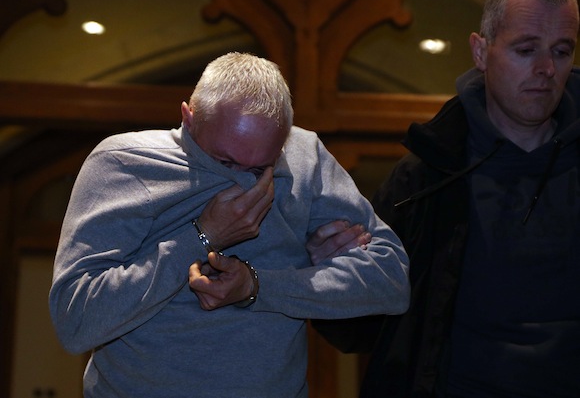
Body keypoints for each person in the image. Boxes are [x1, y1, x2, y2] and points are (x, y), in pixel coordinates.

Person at [49, 52, 410, 398]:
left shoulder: (305, 158)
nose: (243, 186)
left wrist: (258, 286)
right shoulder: (125, 164)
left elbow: (391, 280)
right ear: (189, 117)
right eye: (224, 161)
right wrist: (204, 235)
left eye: (261, 168)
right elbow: (76, 321)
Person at [313, 0, 580, 397]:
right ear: (480, 50)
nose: (547, 69)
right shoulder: (426, 176)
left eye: (562, 51)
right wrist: (331, 274)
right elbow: (363, 332)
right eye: (526, 49)